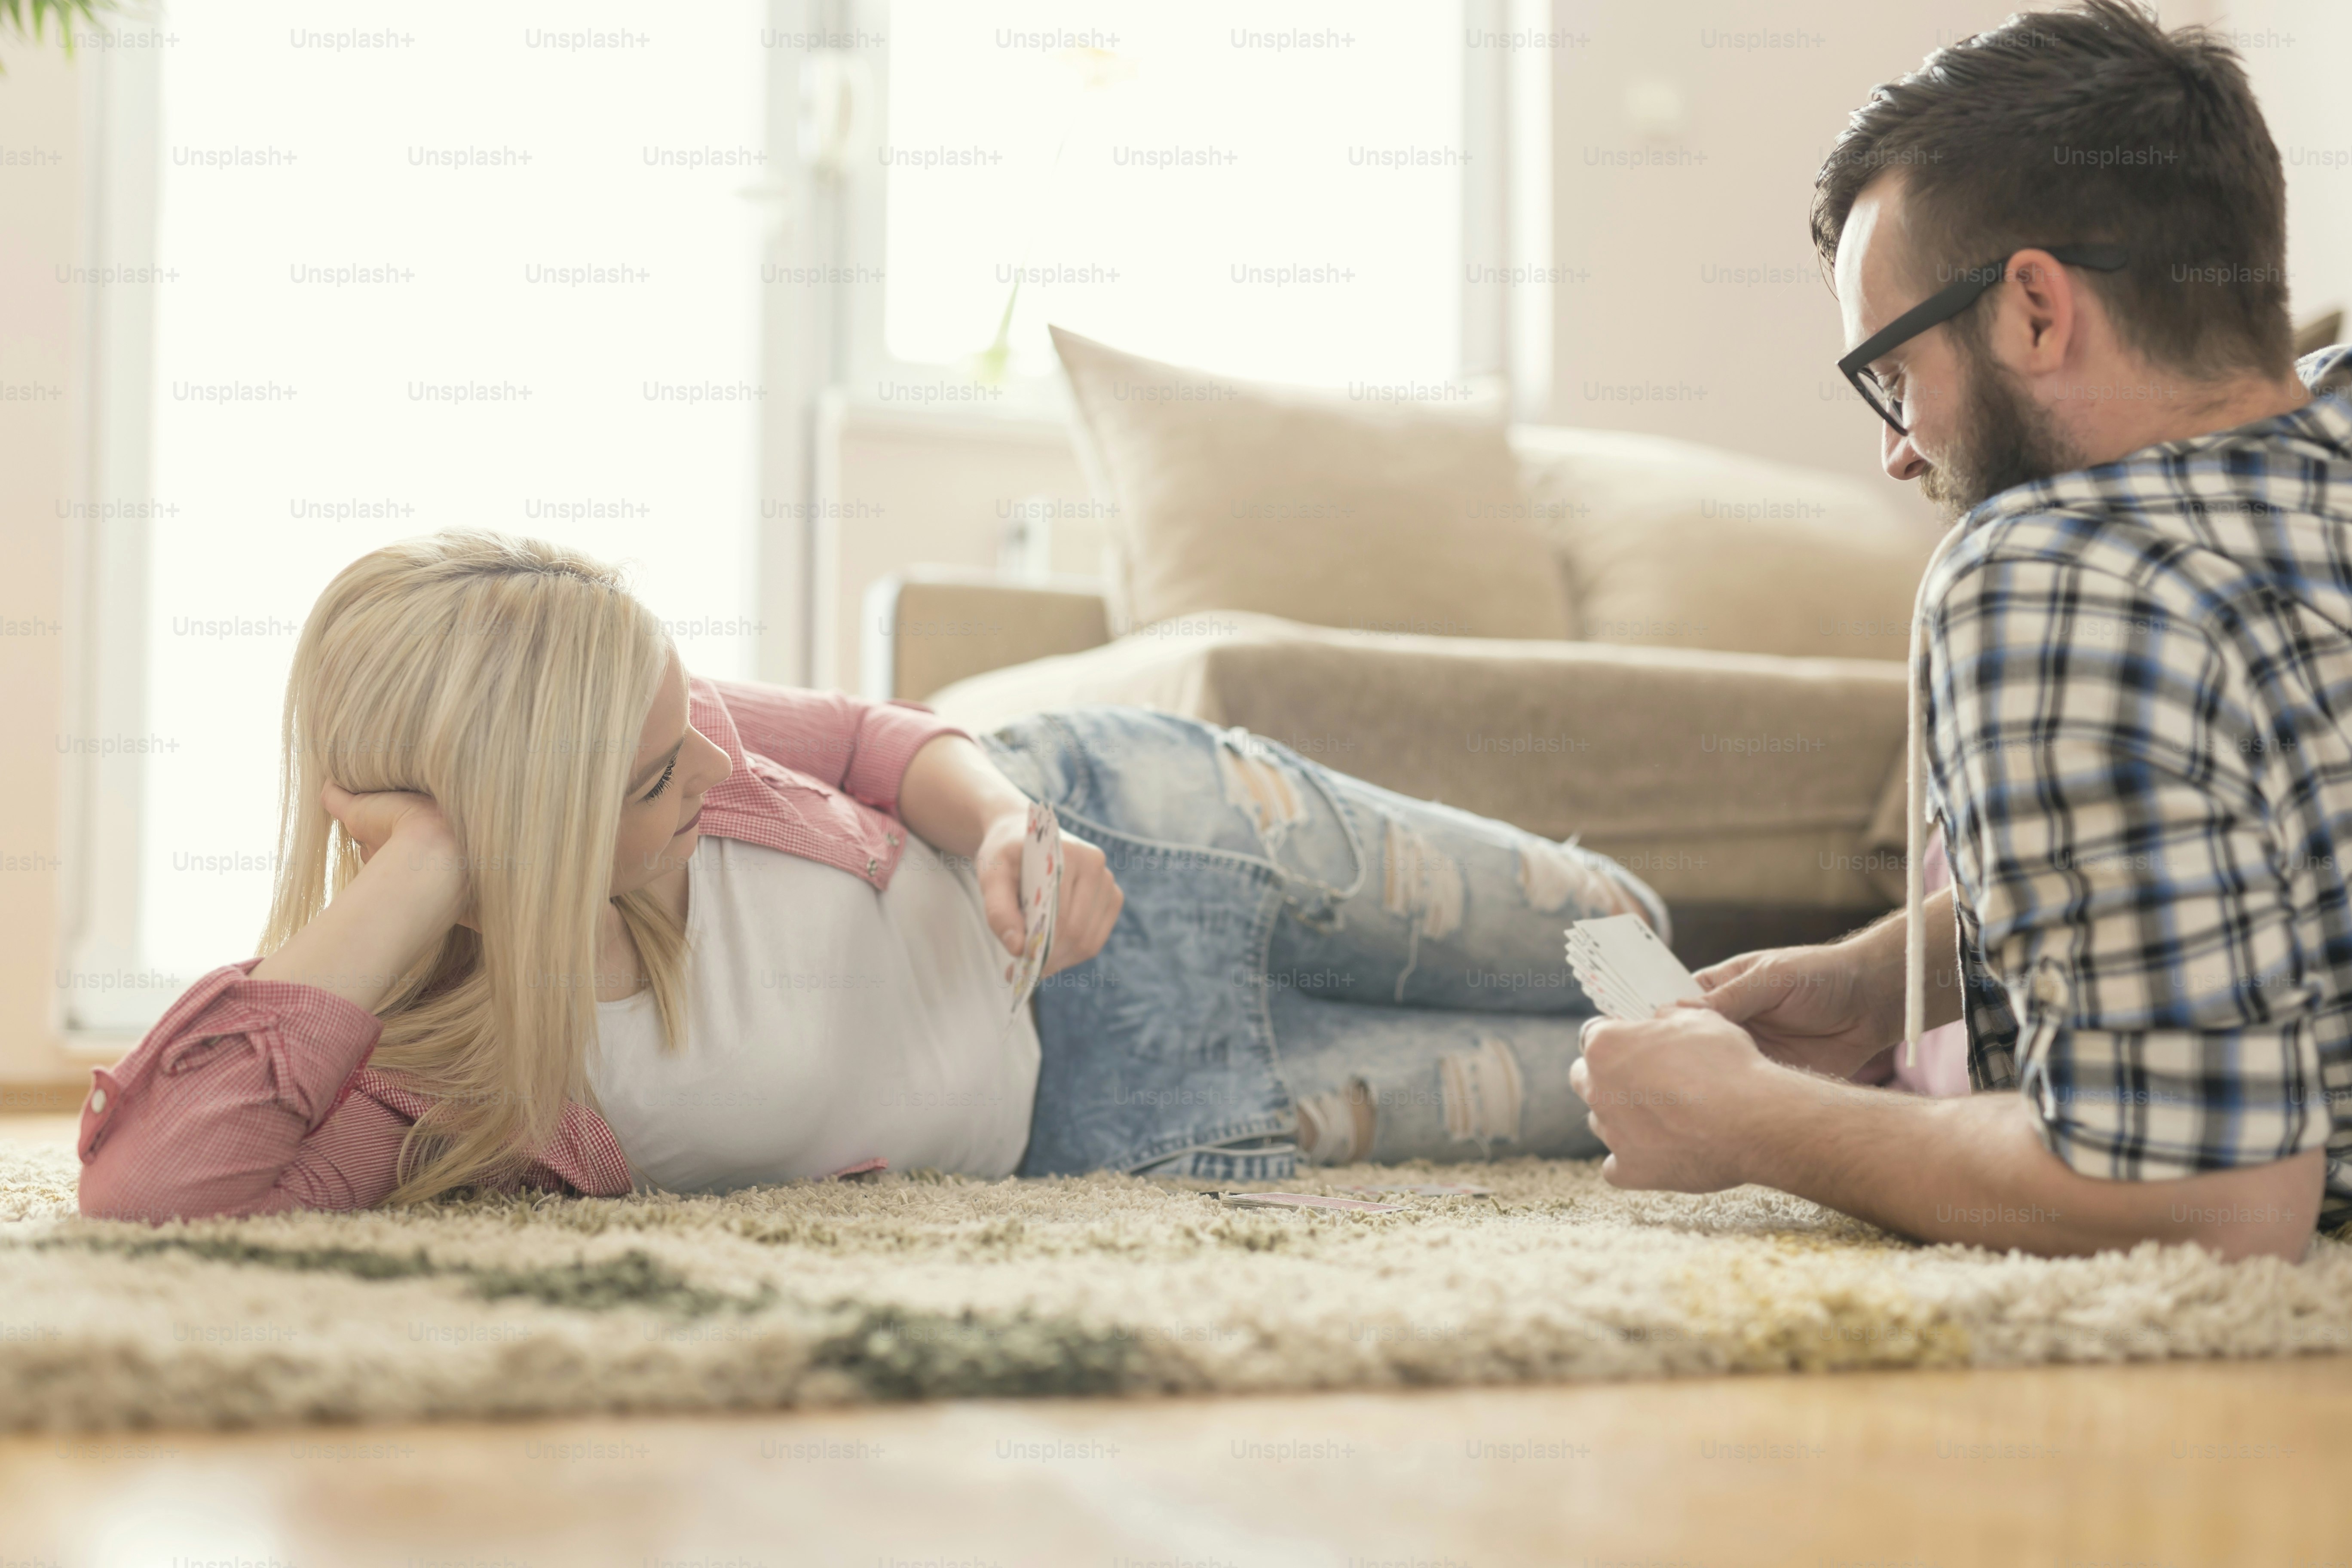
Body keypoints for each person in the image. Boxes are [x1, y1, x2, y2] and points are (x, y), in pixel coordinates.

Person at [77, 532, 1663, 1220]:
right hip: (1142, 1120)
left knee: (1621, 934)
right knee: (1631, 1075)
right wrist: (425, 868)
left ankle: (1897, 1024)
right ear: (515, 842)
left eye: (686, 722)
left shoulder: (680, 732)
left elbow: (865, 734)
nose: (712, 766)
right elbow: (153, 1193)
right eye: (650, 780)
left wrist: (997, 829)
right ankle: (1864, 1064)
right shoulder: (446, 1082)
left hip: (1142, 840)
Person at [1571, 0, 2349, 1261]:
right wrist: (1895, 975)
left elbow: (2217, 1200)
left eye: (1892, 374)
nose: (1894, 451)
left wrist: (1754, 1121)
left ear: (2034, 310)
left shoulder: (2059, 562)